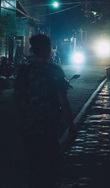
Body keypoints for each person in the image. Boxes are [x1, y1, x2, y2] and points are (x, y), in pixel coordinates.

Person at [14, 34, 76, 188]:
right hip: (48, 125)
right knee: (50, 167)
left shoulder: (24, 71)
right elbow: (63, 100)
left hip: (28, 126)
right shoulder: (54, 71)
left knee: (33, 166)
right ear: (47, 49)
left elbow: (17, 99)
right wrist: (71, 125)